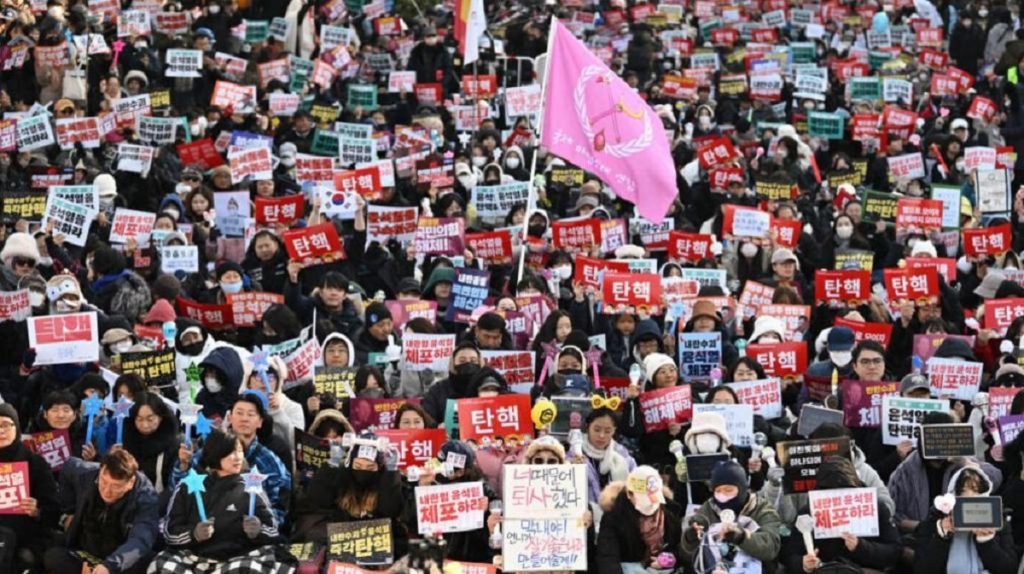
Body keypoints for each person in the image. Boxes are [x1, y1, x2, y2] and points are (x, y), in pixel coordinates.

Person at [152, 429, 292, 573]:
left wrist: (258, 531)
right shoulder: (187, 486)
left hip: (239, 557)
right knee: (162, 564)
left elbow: (273, 530)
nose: (237, 457)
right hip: (192, 558)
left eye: (239, 451)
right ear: (216, 453)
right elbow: (170, 534)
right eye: (231, 452)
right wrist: (194, 533)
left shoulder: (251, 487)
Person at [45, 450, 160, 574]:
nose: (106, 491)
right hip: (86, 551)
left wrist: (109, 566)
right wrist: (69, 512)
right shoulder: (87, 473)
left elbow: (141, 539)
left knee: (149, 562)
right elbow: (68, 467)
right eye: (103, 481)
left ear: (130, 483)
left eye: (115, 486)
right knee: (53, 557)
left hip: (119, 558)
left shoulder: (146, 497)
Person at [913, 465, 1018, 574]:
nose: (972, 499)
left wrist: (986, 543)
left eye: (977, 492)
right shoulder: (934, 523)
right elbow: (921, 569)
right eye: (963, 493)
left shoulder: (997, 522)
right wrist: (942, 539)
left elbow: (1009, 569)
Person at [681, 461, 782, 573]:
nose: (722, 495)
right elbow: (687, 555)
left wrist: (741, 537)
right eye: (718, 491)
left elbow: (771, 548)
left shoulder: (762, 509)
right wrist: (690, 539)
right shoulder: (707, 509)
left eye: (728, 490)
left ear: (742, 489)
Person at [0, 403, 59, 571]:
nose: (1, 431)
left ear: (16, 427)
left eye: (5, 425)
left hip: (24, 536)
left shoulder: (35, 462)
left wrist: (37, 510)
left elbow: (53, 509)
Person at [596, 465, 683, 573]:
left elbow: (679, 547)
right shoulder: (615, 516)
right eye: (644, 499)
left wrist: (671, 559)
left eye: (653, 499)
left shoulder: (670, 512)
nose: (650, 504)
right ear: (629, 494)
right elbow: (607, 556)